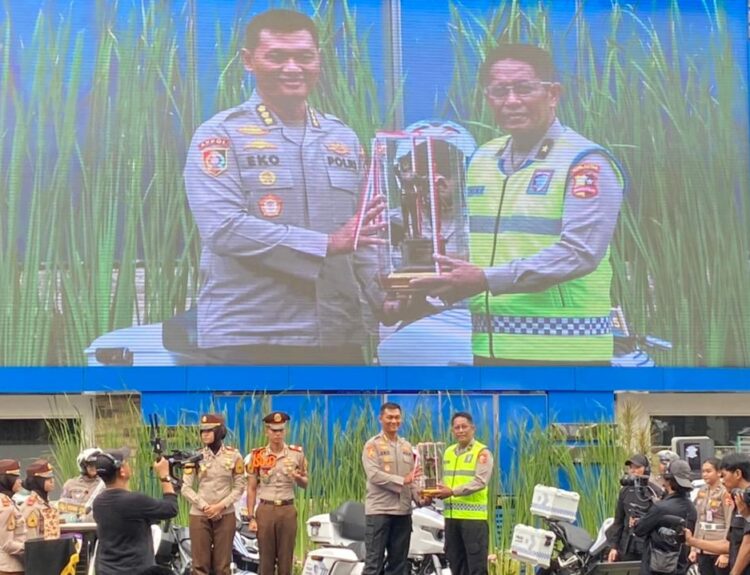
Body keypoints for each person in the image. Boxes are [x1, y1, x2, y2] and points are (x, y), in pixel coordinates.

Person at [183, 8, 390, 366]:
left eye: (304, 57)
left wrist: (384, 296)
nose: (292, 68)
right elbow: (223, 229)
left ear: (318, 60)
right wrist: (326, 244)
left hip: (337, 334)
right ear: (248, 60)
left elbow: (362, 236)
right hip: (251, 336)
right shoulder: (221, 135)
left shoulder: (342, 138)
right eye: (277, 56)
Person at [410, 43, 625, 366]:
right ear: (487, 98)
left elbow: (580, 252)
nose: (511, 101)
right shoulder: (482, 158)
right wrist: (433, 277)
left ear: (552, 94)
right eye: (499, 91)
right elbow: (486, 252)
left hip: (569, 355)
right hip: (489, 350)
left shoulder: (585, 162)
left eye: (524, 89)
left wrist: (485, 279)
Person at [91, 448, 178, 575]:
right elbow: (171, 508)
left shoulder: (98, 502)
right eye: (126, 462)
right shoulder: (135, 501)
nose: (129, 464)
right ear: (122, 471)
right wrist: (165, 476)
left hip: (106, 570)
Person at [180, 413, 246, 575]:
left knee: (222, 565)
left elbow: (239, 486)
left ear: (220, 432)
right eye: (202, 431)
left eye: (209, 431)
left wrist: (220, 506)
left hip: (225, 513)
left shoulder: (234, 455)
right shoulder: (195, 456)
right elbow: (185, 488)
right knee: (199, 565)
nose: (205, 434)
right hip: (200, 514)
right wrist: (205, 506)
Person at [362, 402, 421, 575]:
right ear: (380, 419)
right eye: (389, 417)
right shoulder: (372, 445)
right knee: (373, 565)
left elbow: (412, 479)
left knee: (399, 565)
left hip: (403, 512)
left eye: (397, 417)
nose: (394, 421)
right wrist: (402, 480)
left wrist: (421, 498)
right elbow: (374, 475)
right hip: (380, 512)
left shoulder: (407, 447)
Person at [245, 411, 308, 575]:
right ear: (267, 431)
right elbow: (251, 487)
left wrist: (298, 478)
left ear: (285, 431)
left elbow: (305, 483)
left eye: (280, 430)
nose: (277, 434)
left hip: (287, 509)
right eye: (274, 430)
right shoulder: (257, 455)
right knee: (266, 560)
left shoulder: (296, 454)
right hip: (266, 509)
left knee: (286, 559)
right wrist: (251, 517)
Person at [431, 412, 493, 575]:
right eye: (456, 427)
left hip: (473, 520)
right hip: (451, 519)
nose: (460, 430)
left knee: (476, 568)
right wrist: (432, 490)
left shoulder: (482, 452)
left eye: (464, 427)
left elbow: (480, 481)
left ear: (473, 428)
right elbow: (444, 480)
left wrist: (452, 492)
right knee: (456, 565)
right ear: (452, 430)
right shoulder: (448, 452)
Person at [685, 454, 750, 575]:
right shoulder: (738, 499)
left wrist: (733, 570)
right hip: (709, 548)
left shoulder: (732, 496)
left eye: (723, 475)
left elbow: (747, 543)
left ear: (737, 474)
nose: (722, 480)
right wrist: (692, 542)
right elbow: (730, 544)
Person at [633, 460, 697, 575]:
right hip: (680, 565)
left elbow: (639, 530)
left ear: (668, 481)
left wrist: (636, 522)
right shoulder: (691, 507)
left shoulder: (660, 507)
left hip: (656, 566)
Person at [607, 454, 663, 563]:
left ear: (646, 469)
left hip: (648, 546)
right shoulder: (624, 491)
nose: (633, 470)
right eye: (631, 467)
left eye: (637, 467)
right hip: (627, 545)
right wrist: (614, 547)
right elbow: (618, 521)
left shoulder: (655, 492)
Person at [689, 458, 732, 575]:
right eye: (703, 471)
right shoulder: (702, 491)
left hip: (718, 545)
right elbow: (699, 520)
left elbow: (729, 522)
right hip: (703, 546)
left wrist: (726, 553)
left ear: (719, 472)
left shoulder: (724, 492)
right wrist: (694, 548)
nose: (705, 474)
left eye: (708, 471)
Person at [59, 447, 104, 522]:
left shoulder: (104, 484)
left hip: (98, 525)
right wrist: (80, 510)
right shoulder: (70, 484)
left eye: (96, 464)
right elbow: (62, 506)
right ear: (83, 466)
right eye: (91, 465)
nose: (94, 467)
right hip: (77, 525)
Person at [20, 459, 59, 540]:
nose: (52, 481)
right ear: (37, 481)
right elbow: (31, 540)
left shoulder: (46, 503)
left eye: (52, 477)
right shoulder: (31, 507)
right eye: (47, 479)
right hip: (40, 547)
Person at [0, 459, 25, 575]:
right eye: (15, 477)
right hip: (10, 568)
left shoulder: (8, 501)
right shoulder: (5, 507)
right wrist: (30, 547)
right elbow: (7, 544)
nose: (20, 481)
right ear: (6, 480)